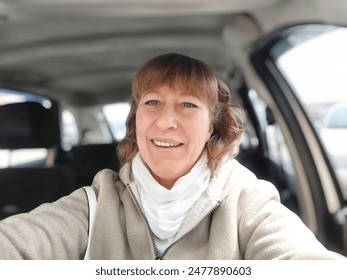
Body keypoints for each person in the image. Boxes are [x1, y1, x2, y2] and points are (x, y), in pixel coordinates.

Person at [0, 53, 344, 260]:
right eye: (152, 102)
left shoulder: (248, 202)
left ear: (212, 126)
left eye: (188, 105)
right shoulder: (93, 204)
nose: (166, 121)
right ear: (137, 120)